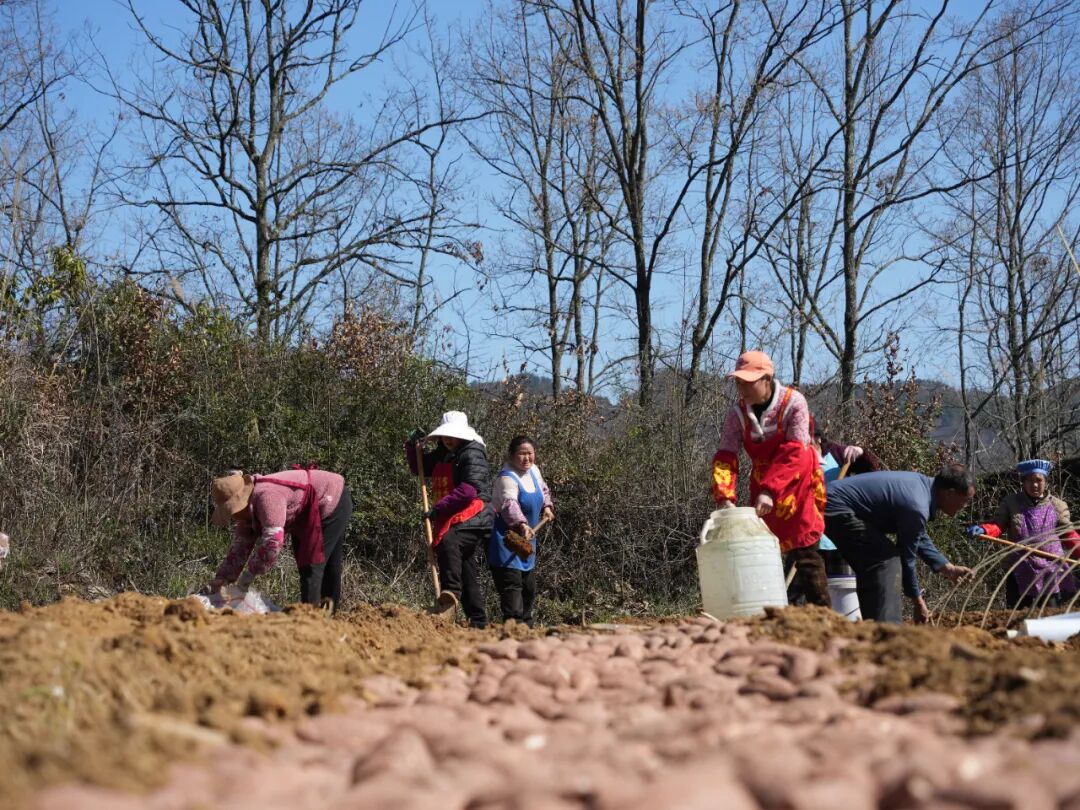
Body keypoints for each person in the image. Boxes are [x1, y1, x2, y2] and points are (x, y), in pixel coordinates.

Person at [712, 350, 829, 608]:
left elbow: (796, 451)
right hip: (763, 481)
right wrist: (725, 496)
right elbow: (726, 455)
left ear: (767, 378)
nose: (741, 388)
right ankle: (773, 611)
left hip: (797, 482)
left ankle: (822, 613)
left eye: (748, 382)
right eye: (738, 382)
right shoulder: (737, 414)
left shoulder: (793, 403)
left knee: (805, 550)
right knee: (764, 550)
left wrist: (770, 490)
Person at [824, 464, 976, 623]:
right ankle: (886, 629)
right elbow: (907, 557)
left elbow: (918, 535)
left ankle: (877, 624)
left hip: (832, 502)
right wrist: (917, 601)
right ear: (950, 493)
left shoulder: (922, 491)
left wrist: (947, 568)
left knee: (882, 559)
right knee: (884, 561)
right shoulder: (917, 504)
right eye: (965, 501)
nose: (964, 507)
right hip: (834, 506)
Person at [206, 466, 353, 610]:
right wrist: (221, 581)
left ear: (241, 503)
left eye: (232, 511)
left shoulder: (267, 497)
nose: (233, 516)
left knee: (312, 564)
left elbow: (272, 543)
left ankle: (311, 620)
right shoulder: (246, 515)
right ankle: (328, 616)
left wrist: (248, 576)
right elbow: (239, 550)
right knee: (323, 565)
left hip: (331, 498)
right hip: (306, 512)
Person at [406, 411, 492, 629]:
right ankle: (478, 619)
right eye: (445, 436)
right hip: (451, 512)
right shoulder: (443, 453)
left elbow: (468, 491)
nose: (448, 439)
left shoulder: (472, 453)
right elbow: (419, 467)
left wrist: (439, 508)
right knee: (465, 565)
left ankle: (450, 594)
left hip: (475, 510)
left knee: (450, 541)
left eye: (451, 436)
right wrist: (412, 445)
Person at [966, 459, 1079, 609]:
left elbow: (1069, 535)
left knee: (1049, 612)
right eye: (1030, 481)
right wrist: (984, 529)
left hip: (1050, 567)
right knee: (1018, 612)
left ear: (1045, 482)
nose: (1035, 485)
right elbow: (998, 525)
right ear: (1023, 483)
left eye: (1039, 480)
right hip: (1020, 565)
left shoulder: (1057, 506)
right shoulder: (1011, 503)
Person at [488, 435, 555, 626]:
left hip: (527, 541)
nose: (527, 458)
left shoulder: (534, 470)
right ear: (511, 455)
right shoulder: (506, 478)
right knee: (512, 586)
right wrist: (522, 524)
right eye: (521, 454)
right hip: (507, 542)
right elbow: (510, 505)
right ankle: (513, 629)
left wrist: (547, 507)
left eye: (530, 453)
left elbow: (543, 490)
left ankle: (527, 628)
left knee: (529, 587)